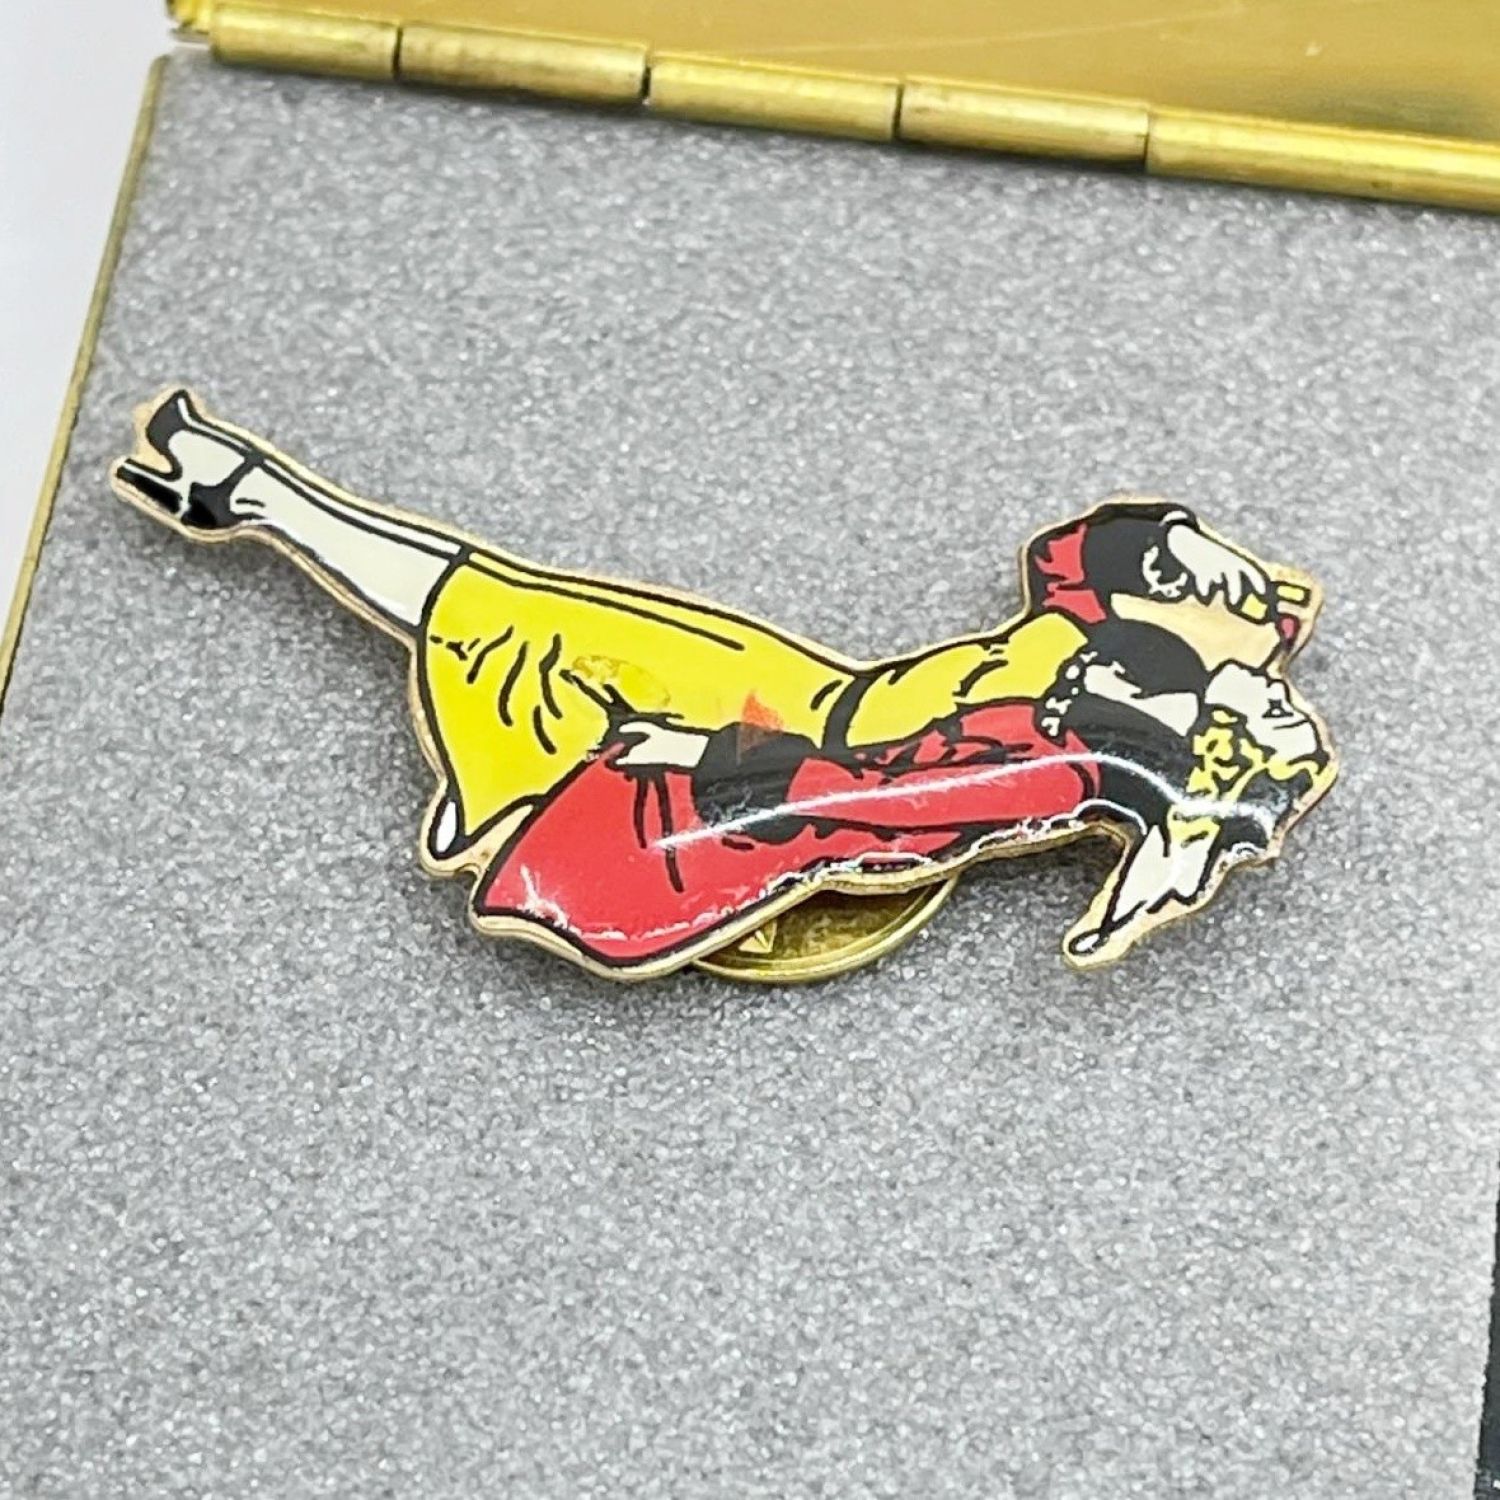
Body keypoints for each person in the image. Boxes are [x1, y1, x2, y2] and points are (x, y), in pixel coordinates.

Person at [112, 389, 1335, 973]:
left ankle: (254, 497)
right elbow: (1092, 565)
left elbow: (893, 794)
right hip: (796, 700)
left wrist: (709, 760)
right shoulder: (1095, 643)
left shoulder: (1095, 728)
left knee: (512, 616)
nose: (1243, 590)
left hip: (781, 757)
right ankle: (254, 496)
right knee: (510, 607)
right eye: (1199, 571)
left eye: (1209, 576)